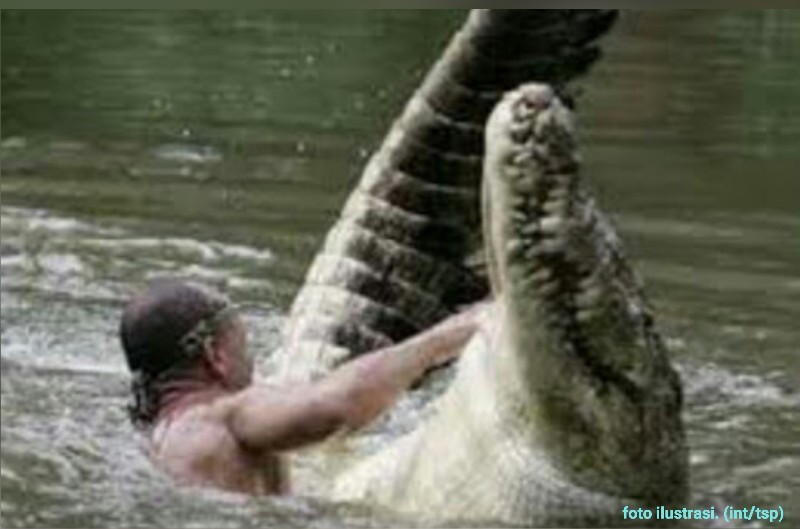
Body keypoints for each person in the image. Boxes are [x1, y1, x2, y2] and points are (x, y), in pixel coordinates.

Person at [119, 279, 482, 495]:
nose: (251, 355)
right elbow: (338, 407)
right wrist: (450, 336)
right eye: (244, 342)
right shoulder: (227, 415)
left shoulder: (157, 436)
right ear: (215, 355)